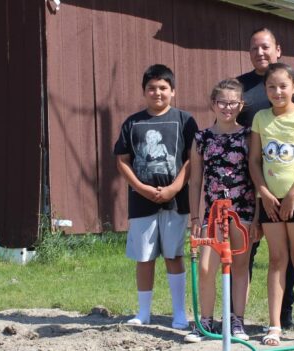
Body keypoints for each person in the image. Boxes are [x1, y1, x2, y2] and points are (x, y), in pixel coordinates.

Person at [236, 27, 294, 329]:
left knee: (291, 255)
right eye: (254, 48)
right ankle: (237, 316)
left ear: (278, 50)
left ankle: (286, 314)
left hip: (292, 182)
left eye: (265, 47)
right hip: (253, 184)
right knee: (246, 249)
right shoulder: (240, 86)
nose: (260, 52)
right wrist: (260, 187)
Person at [114, 64, 198, 330]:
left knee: (174, 255)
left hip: (176, 200)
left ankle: (179, 314)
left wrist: (174, 187)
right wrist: (141, 188)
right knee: (144, 257)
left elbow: (192, 159)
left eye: (163, 88)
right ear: (144, 91)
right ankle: (144, 312)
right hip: (141, 202)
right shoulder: (133, 122)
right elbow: (122, 160)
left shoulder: (184, 120)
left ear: (172, 91)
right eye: (152, 88)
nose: (157, 93)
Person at [248, 63, 294, 345]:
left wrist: (292, 194)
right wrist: (264, 192)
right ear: (265, 90)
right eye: (271, 87)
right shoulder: (260, 118)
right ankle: (274, 325)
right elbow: (254, 160)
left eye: (282, 86)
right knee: (277, 259)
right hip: (268, 199)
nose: (277, 92)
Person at [184, 79, 257, 342]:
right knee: (206, 267)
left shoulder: (249, 136)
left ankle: (236, 321)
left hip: (243, 211)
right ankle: (205, 322)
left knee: (239, 266)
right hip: (212, 213)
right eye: (222, 102)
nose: (227, 107)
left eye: (233, 102)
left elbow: (257, 176)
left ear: (241, 105)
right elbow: (194, 181)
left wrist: (258, 215)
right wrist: (195, 216)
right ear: (213, 104)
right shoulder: (202, 138)